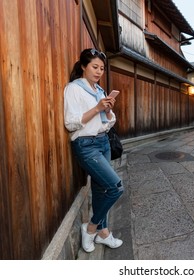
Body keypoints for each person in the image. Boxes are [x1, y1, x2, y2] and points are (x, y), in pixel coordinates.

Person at [63, 48, 124, 253]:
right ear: (83, 66)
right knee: (116, 187)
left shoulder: (100, 90)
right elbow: (71, 123)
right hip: (86, 145)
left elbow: (108, 122)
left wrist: (106, 110)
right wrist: (97, 109)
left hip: (103, 142)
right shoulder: (74, 89)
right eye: (95, 67)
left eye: (102, 68)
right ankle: (90, 228)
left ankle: (103, 232)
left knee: (101, 189)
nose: (99, 72)